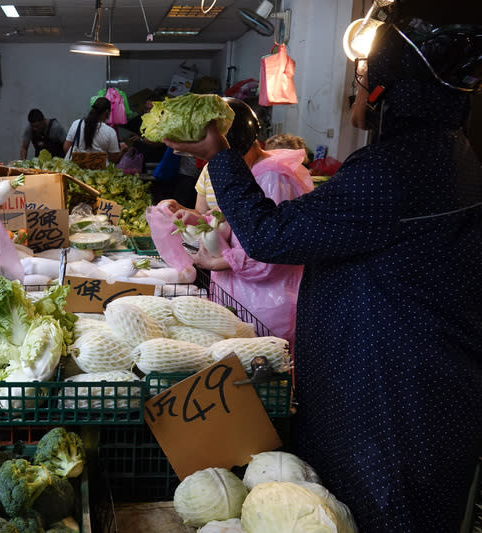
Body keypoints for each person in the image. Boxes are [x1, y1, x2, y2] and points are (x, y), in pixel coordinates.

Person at [164, 1, 482, 530]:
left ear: (385, 93)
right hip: (426, 382)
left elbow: (268, 235)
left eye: (363, 79)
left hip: (390, 396)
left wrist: (217, 155)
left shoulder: (393, 171)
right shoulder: (454, 155)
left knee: (382, 513)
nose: (354, 90)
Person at [164, 98, 313, 343]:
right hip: (241, 297)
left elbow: (267, 251)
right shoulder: (253, 172)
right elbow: (240, 223)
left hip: (265, 306)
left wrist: (215, 263)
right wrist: (201, 219)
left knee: (264, 370)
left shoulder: (273, 178)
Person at [64, 97, 127, 163]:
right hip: (100, 172)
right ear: (107, 112)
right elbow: (113, 159)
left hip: (78, 170)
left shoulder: (77, 124)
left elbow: (66, 147)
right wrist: (122, 149)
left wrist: (82, 158)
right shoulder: (110, 132)